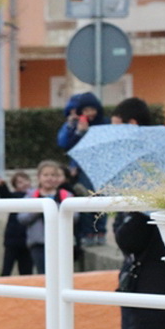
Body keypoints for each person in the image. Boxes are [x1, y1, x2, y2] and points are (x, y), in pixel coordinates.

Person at [110, 96, 153, 329]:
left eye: (116, 127)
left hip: (146, 277)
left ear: (132, 124)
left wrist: (123, 221)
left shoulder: (142, 170)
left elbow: (130, 239)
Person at [57, 92, 106, 246]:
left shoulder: (103, 124)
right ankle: (87, 233)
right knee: (85, 199)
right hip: (82, 169)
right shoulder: (75, 126)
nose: (90, 113)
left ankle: (101, 231)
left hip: (100, 168)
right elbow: (66, 145)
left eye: (93, 109)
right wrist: (78, 131)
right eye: (86, 110)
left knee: (102, 200)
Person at [17, 160, 72, 274]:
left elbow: (75, 217)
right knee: (43, 274)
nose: (49, 178)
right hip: (38, 243)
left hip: (61, 242)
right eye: (46, 175)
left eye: (53, 175)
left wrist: (56, 207)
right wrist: (41, 208)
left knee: (62, 274)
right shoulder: (31, 196)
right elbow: (22, 218)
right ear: (38, 177)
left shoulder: (66, 195)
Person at [0, 171, 33, 276]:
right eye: (20, 182)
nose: (24, 183)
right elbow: (6, 196)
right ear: (15, 186)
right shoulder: (15, 196)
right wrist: (2, 186)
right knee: (7, 269)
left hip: (28, 239)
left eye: (26, 180)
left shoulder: (34, 196)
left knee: (26, 270)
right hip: (12, 240)